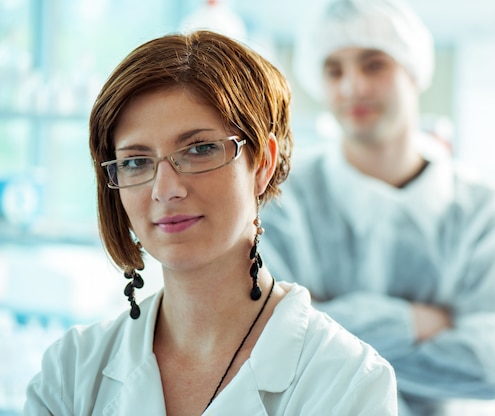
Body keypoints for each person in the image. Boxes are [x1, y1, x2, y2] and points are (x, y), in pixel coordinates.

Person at [23, 30, 397, 415]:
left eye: (199, 149)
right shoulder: (71, 369)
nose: (165, 190)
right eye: (136, 161)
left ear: (263, 163)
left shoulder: (347, 381)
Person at [259, 0, 495, 414]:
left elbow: (486, 368)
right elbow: (276, 342)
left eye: (373, 65)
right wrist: (414, 323)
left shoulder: (484, 212)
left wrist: (329, 324)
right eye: (334, 70)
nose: (353, 87)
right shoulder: (283, 200)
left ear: (414, 70)